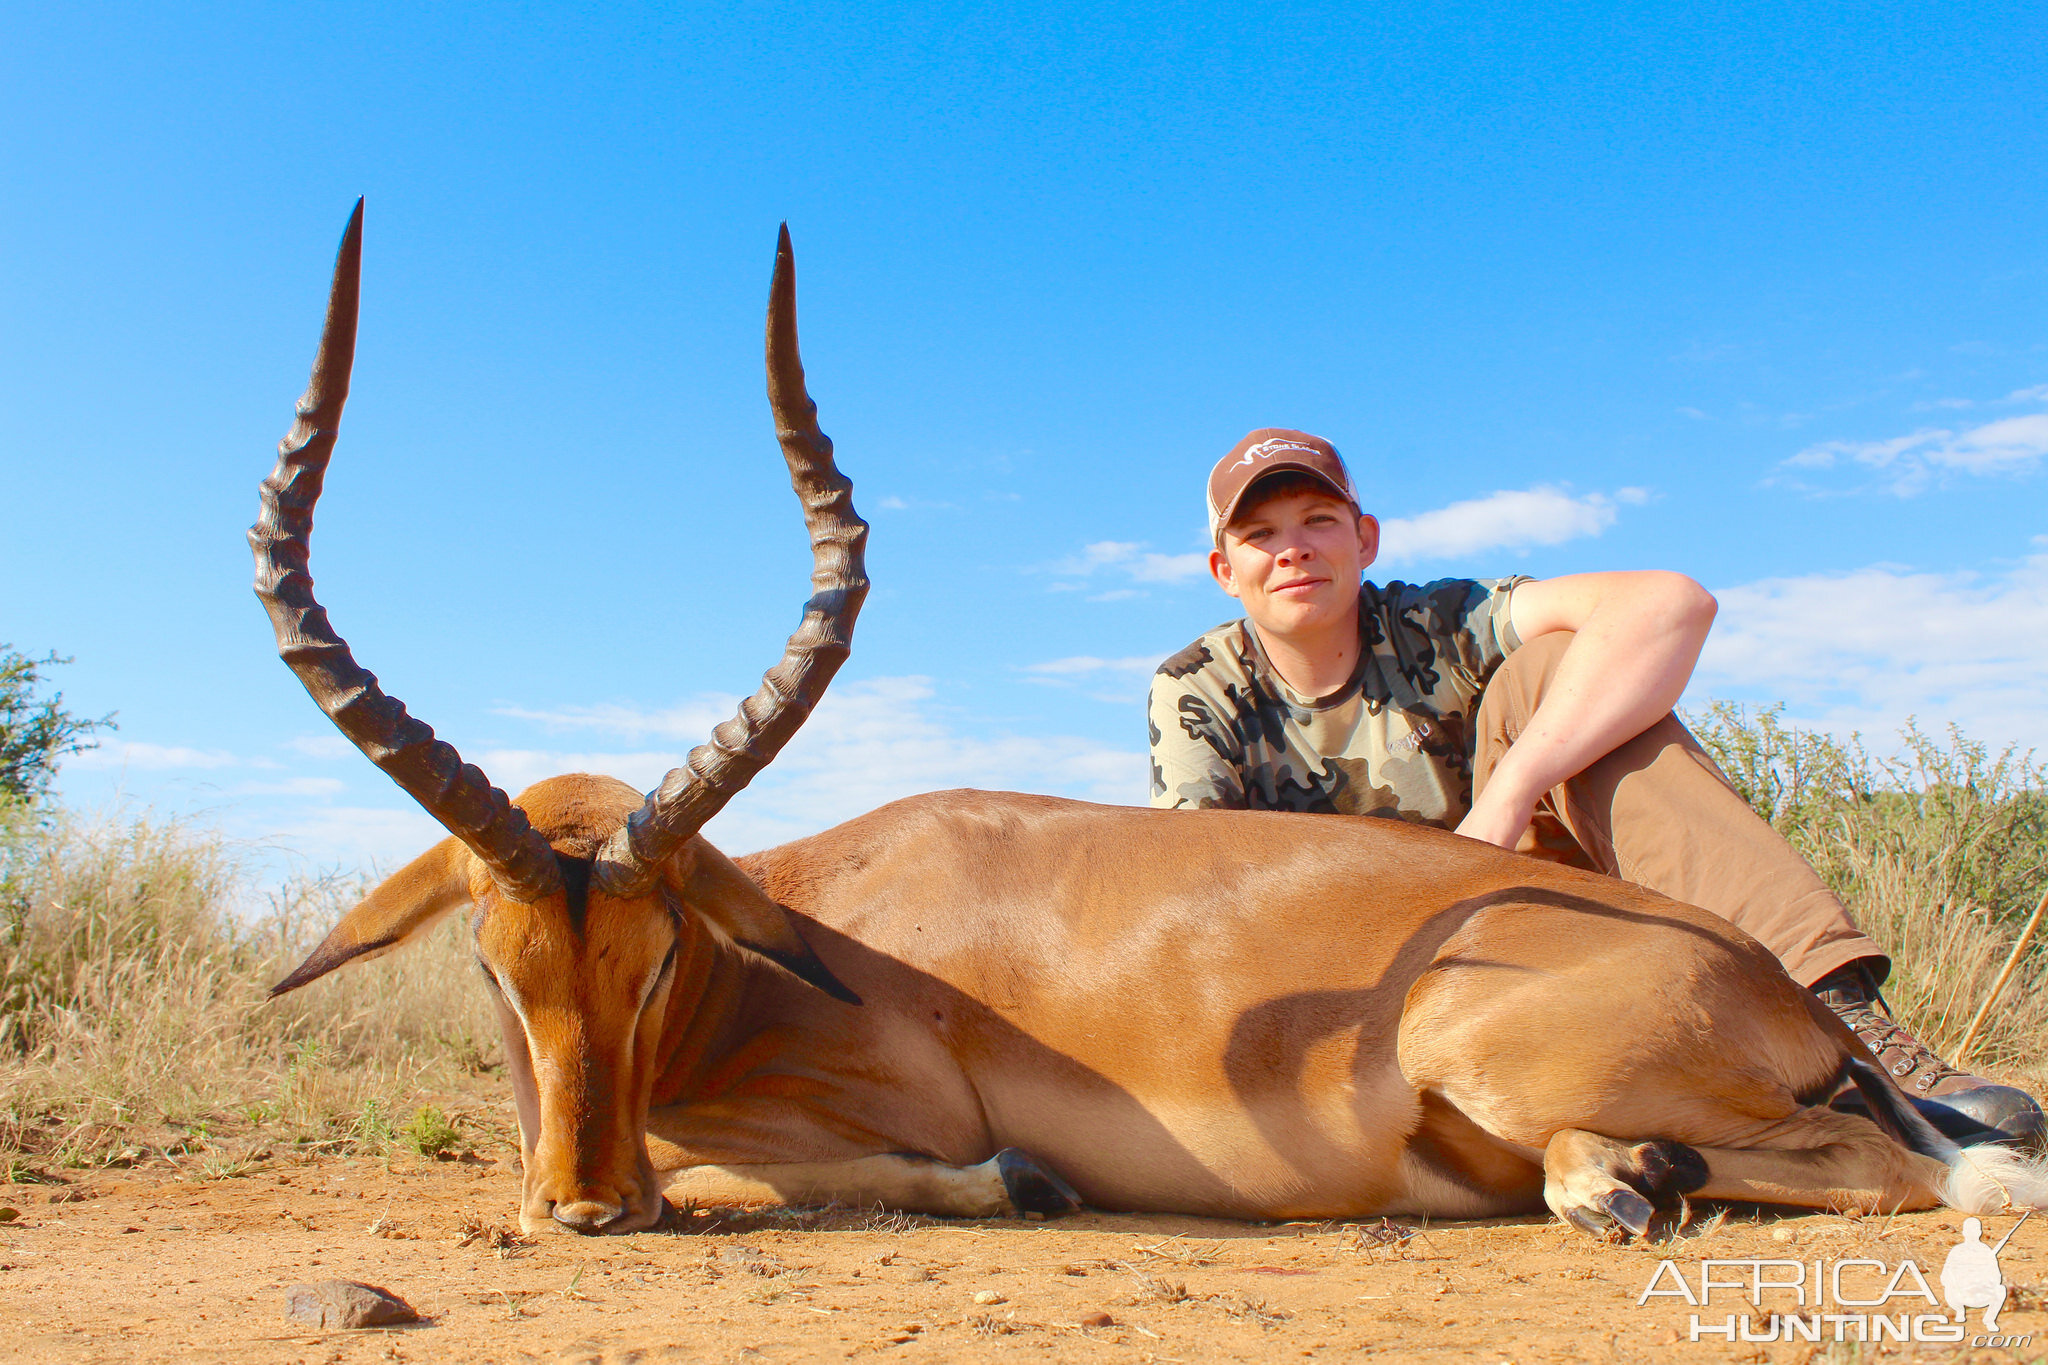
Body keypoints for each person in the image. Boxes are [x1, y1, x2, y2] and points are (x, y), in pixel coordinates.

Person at [1147, 428, 2043, 1144]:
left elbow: (1672, 604)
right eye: (1259, 536)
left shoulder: (1434, 622)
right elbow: (1200, 893)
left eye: (1316, 521)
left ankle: (1854, 1035)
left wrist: (1505, 800)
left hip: (1522, 908)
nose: (1292, 551)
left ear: (1364, 538)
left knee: (1558, 666)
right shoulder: (1198, 689)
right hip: (1346, 972)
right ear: (1226, 569)